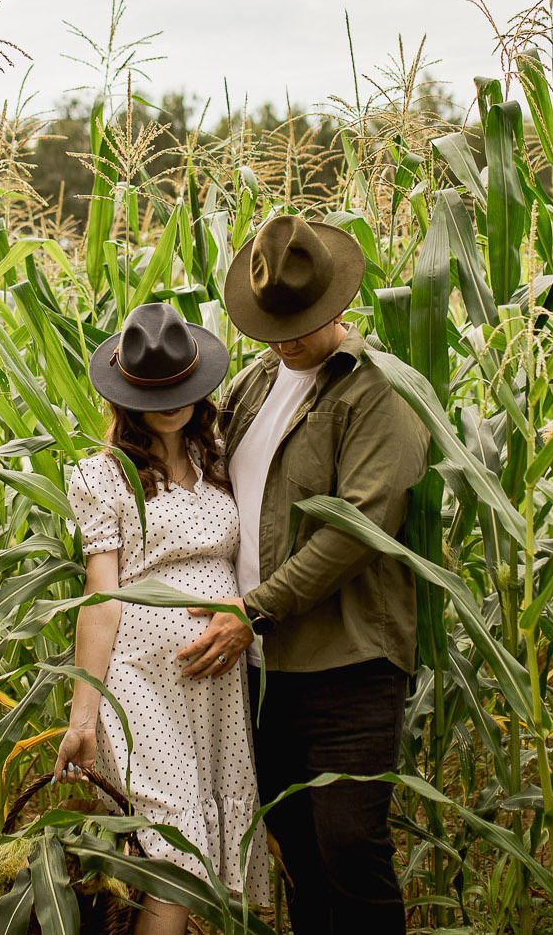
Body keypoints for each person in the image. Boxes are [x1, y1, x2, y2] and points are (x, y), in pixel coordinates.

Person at [175, 214, 431, 934]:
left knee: (351, 850)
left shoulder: (377, 391)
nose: (285, 342)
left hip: (348, 664)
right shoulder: (254, 382)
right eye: (273, 327)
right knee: (298, 855)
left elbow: (359, 525)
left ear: (335, 300)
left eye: (299, 325)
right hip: (263, 671)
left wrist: (255, 609)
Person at [54, 301, 269, 933]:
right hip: (143, 684)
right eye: (155, 394)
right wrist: (83, 716)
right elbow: (100, 597)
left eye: (181, 389)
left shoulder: (221, 459)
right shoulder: (105, 477)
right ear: (127, 399)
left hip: (217, 687)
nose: (172, 404)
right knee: (175, 850)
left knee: (204, 846)